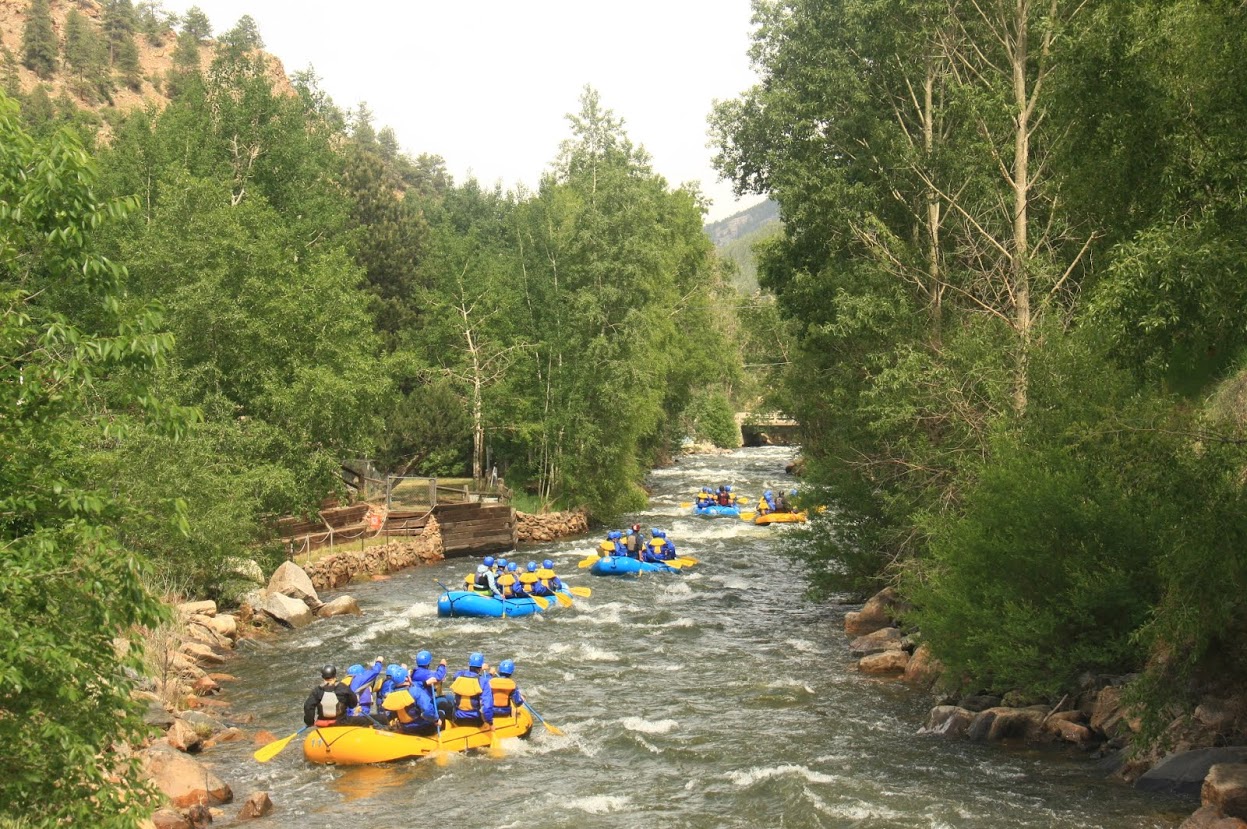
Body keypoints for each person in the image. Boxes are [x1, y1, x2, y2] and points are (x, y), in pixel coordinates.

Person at [385, 665, 440, 735]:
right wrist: (436, 720)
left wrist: (425, 683)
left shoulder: (391, 694)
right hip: (423, 727)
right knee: (441, 713)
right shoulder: (415, 691)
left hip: (405, 728)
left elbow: (389, 713)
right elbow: (428, 710)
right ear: (407, 678)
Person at [448, 652, 493, 728]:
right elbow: (487, 706)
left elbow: (457, 674)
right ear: (480, 667)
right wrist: (490, 723)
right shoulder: (483, 682)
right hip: (476, 721)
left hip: (458, 719)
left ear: (469, 664)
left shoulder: (458, 677)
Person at [411, 649, 453, 721]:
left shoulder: (416, 672)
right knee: (446, 702)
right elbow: (438, 676)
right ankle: (450, 722)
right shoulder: (423, 673)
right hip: (425, 702)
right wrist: (442, 665)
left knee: (449, 697)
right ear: (428, 663)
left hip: (423, 700)